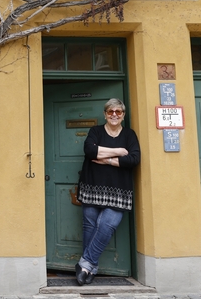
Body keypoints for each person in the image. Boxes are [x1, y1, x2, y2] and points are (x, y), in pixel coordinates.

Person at [75, 98, 141, 286]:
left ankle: (84, 263)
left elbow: (134, 159)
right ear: (105, 114)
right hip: (92, 187)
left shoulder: (129, 135)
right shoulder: (95, 131)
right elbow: (89, 151)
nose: (114, 115)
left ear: (123, 115)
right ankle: (90, 269)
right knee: (89, 226)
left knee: (107, 225)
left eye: (118, 112)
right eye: (110, 111)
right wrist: (119, 152)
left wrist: (107, 159)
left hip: (119, 191)